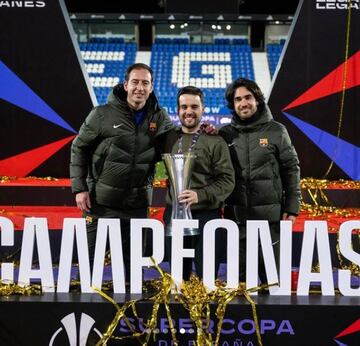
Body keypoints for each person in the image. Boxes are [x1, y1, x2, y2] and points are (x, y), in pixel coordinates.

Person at [70, 63, 174, 282]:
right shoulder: (101, 114)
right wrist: (80, 188)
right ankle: (88, 312)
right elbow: (79, 148)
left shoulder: (159, 118)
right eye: (135, 82)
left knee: (132, 272)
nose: (139, 87)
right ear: (125, 85)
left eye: (145, 83)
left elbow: (174, 147)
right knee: (89, 269)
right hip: (99, 202)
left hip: (136, 205)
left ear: (152, 87)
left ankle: (130, 314)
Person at [219, 78, 301, 284]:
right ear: (233, 104)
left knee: (272, 283)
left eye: (248, 97)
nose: (243, 103)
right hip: (237, 221)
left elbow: (291, 168)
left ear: (257, 100)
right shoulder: (225, 134)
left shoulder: (276, 131)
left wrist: (292, 208)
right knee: (240, 286)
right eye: (238, 99)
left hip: (270, 221)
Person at [163, 86, 235, 280]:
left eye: (194, 106)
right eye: (184, 106)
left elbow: (227, 180)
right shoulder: (168, 138)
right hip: (174, 214)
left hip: (206, 216)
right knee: (178, 279)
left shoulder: (215, 141)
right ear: (177, 110)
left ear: (203, 109)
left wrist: (200, 195)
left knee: (207, 277)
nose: (189, 111)